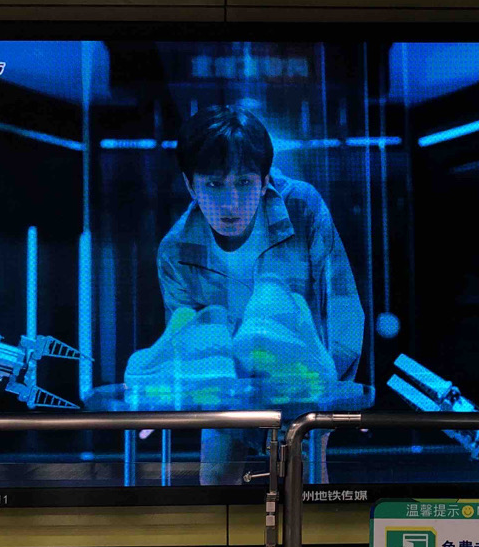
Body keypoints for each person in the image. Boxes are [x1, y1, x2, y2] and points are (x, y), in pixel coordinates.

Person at [154, 106, 364, 483]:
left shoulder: (302, 206)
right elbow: (189, 344)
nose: (231, 203)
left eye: (244, 182)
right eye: (214, 185)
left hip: (304, 380)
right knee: (217, 486)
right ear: (190, 185)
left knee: (306, 490)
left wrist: (329, 394)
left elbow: (342, 301)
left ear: (265, 180)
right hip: (227, 392)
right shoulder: (175, 251)